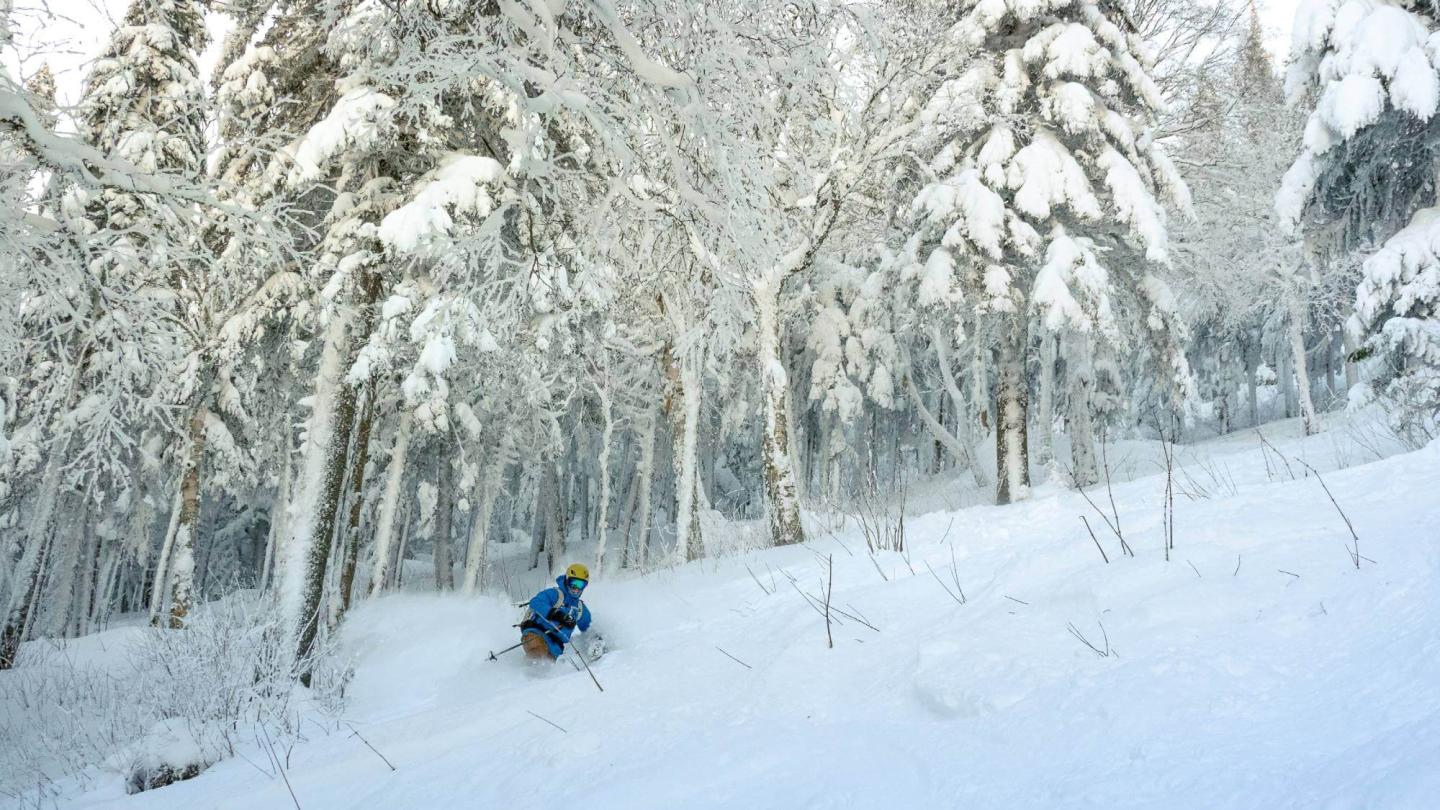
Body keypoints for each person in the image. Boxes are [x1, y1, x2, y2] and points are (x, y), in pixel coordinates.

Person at [520, 562, 593, 661]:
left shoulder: (580, 609)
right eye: (573, 583)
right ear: (567, 581)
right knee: (538, 654)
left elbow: (589, 627)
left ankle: (530, 672)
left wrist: (596, 639)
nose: (576, 588)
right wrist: (556, 614)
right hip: (535, 633)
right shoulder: (556, 594)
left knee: (548, 668)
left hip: (555, 648)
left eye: (580, 585)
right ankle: (526, 672)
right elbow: (535, 602)